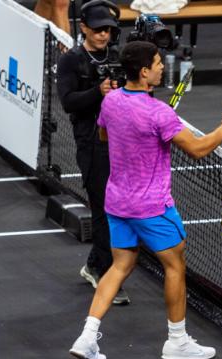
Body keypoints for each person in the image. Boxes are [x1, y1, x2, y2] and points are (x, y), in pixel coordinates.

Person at [68, 41, 222, 359]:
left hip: (117, 203)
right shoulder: (159, 113)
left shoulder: (110, 102)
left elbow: (106, 138)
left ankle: (87, 336)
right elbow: (198, 148)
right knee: (175, 266)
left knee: (120, 265)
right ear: (144, 71)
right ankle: (177, 341)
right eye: (157, 62)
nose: (163, 66)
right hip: (152, 208)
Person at [56, 0, 130, 304]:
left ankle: (93, 264)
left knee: (120, 207)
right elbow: (68, 102)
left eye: (108, 30)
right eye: (98, 29)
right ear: (84, 27)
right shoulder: (71, 61)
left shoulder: (118, 56)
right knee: (102, 207)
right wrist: (97, 92)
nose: (103, 35)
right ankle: (106, 271)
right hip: (91, 141)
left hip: (122, 141)